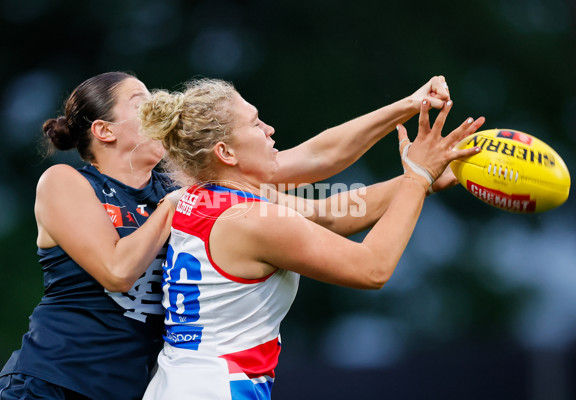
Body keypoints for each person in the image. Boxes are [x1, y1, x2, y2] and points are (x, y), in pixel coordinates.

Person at [0, 71, 463, 400]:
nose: (159, 107)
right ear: (104, 131)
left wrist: (415, 167)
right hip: (54, 383)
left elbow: (324, 192)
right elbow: (116, 270)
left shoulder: (190, 191)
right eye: (142, 103)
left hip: (147, 387)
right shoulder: (71, 183)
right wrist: (416, 179)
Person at [137, 78, 483, 400]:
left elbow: (331, 213)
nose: (269, 130)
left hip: (176, 384)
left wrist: (422, 179)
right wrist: (416, 179)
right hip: (218, 389)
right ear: (226, 153)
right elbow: (372, 268)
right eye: (255, 124)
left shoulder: (196, 198)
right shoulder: (255, 221)